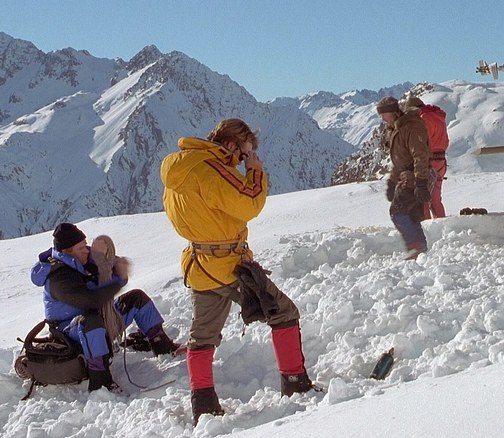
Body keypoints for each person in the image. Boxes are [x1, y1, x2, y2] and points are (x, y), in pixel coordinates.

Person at [160, 118, 313, 426]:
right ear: (231, 145)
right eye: (244, 153)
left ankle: (203, 405)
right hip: (229, 265)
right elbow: (249, 203)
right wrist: (254, 171)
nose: (243, 159)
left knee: (202, 336)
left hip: (199, 263)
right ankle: (295, 383)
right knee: (283, 313)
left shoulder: (180, 167)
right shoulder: (212, 168)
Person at [30, 223, 178, 392]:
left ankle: (164, 348)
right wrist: (118, 280)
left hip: (98, 319)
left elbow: (105, 265)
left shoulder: (82, 260)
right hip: (70, 332)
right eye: (81, 248)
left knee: (136, 299)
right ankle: (100, 380)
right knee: (91, 322)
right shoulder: (59, 278)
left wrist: (114, 264)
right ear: (67, 252)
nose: (86, 250)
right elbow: (91, 300)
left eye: (85, 245)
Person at [377, 96, 432, 260]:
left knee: (398, 212)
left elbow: (420, 156)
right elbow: (400, 160)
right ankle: (420, 249)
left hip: (415, 177)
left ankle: (416, 247)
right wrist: (392, 182)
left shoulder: (410, 127)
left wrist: (421, 182)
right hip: (408, 177)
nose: (382, 119)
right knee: (412, 214)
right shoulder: (397, 129)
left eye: (384, 115)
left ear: (393, 112)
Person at [405, 96, 449, 219]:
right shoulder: (438, 117)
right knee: (435, 199)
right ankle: (441, 225)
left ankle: (426, 227)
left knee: (421, 198)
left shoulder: (423, 118)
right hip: (441, 162)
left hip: (428, 163)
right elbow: (446, 142)